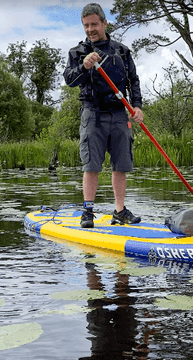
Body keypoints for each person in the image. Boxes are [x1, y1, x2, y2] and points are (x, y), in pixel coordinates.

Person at [63, 3, 144, 228]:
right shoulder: (77, 53)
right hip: (93, 113)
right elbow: (70, 80)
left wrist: (136, 106)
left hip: (119, 113)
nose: (90, 29)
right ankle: (88, 211)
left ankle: (119, 211)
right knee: (92, 164)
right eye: (86, 26)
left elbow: (133, 81)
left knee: (122, 163)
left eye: (94, 24)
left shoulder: (122, 51)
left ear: (104, 23)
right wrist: (83, 67)